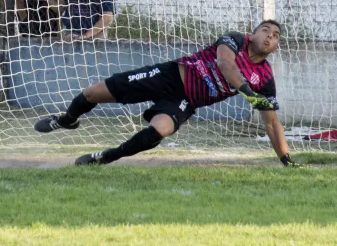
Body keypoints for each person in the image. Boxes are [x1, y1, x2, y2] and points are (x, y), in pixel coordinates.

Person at [34, 21, 301, 167]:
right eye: (265, 30)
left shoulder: (265, 78)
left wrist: (285, 159)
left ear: (276, 47)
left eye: (275, 35)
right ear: (252, 32)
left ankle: (106, 157)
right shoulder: (236, 39)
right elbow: (225, 65)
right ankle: (68, 119)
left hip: (185, 100)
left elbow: (271, 122)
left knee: (159, 131)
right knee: (93, 92)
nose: (269, 36)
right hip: (170, 75)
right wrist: (247, 93)